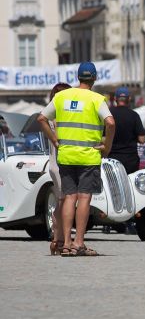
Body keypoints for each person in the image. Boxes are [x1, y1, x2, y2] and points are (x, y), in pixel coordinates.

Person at [38, 61, 115, 256]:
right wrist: (107, 146)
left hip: (66, 155)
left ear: (78, 77)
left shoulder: (62, 96)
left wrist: (55, 140)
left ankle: (65, 244)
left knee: (68, 198)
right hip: (88, 156)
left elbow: (41, 118)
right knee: (84, 199)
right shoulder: (97, 99)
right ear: (95, 78)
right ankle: (79, 243)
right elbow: (111, 122)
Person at [46, 82, 72, 255]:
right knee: (63, 202)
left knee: (61, 202)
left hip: (56, 163)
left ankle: (58, 238)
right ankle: (60, 240)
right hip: (59, 163)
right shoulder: (56, 116)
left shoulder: (50, 114)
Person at [108, 86, 145, 174]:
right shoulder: (134, 115)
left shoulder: (109, 114)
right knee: (130, 184)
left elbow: (103, 137)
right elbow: (142, 140)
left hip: (112, 158)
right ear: (129, 99)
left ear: (115, 99)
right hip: (131, 159)